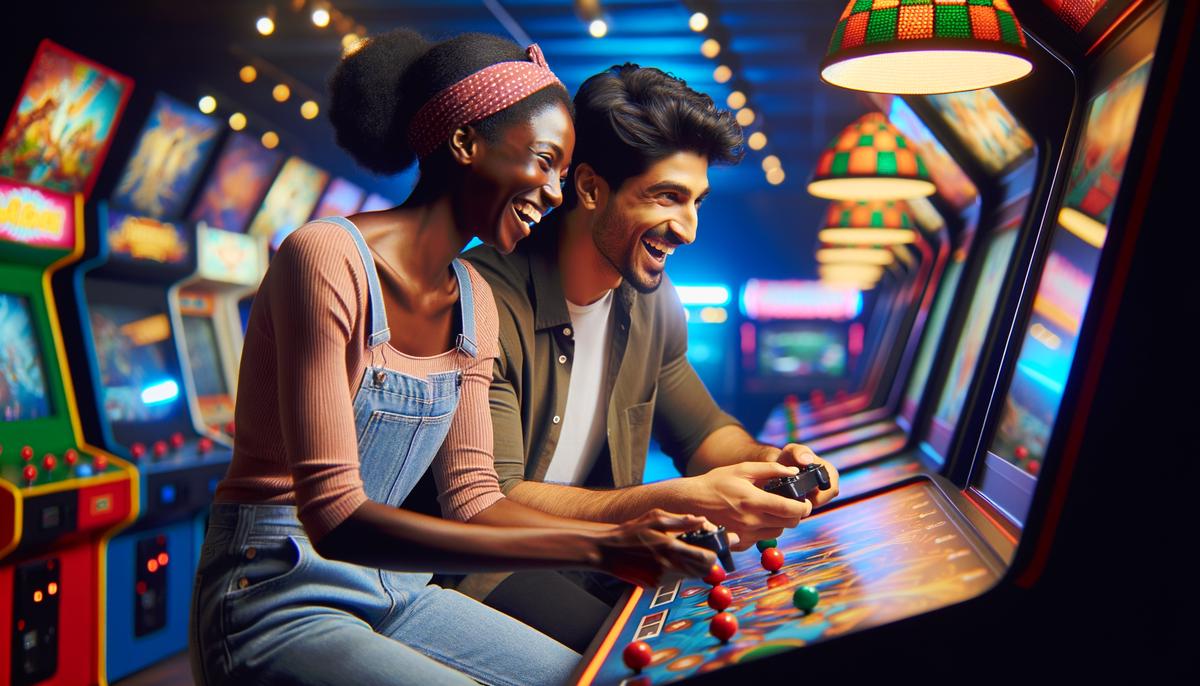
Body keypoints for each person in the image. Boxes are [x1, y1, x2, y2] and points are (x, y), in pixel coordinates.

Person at [189, 32, 716, 686]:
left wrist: (629, 538)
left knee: (610, 678)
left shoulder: (474, 300)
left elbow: (474, 500)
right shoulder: (325, 256)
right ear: (465, 144)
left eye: (561, 172)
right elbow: (336, 518)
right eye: (546, 160)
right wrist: (603, 543)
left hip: (396, 591)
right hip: (273, 591)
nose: (555, 192)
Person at [455, 64, 841, 649]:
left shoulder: (653, 301)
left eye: (697, 202)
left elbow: (703, 433)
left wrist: (773, 463)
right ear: (588, 188)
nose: (687, 228)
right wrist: (680, 497)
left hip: (599, 562)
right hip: (486, 570)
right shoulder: (483, 298)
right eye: (668, 197)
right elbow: (495, 497)